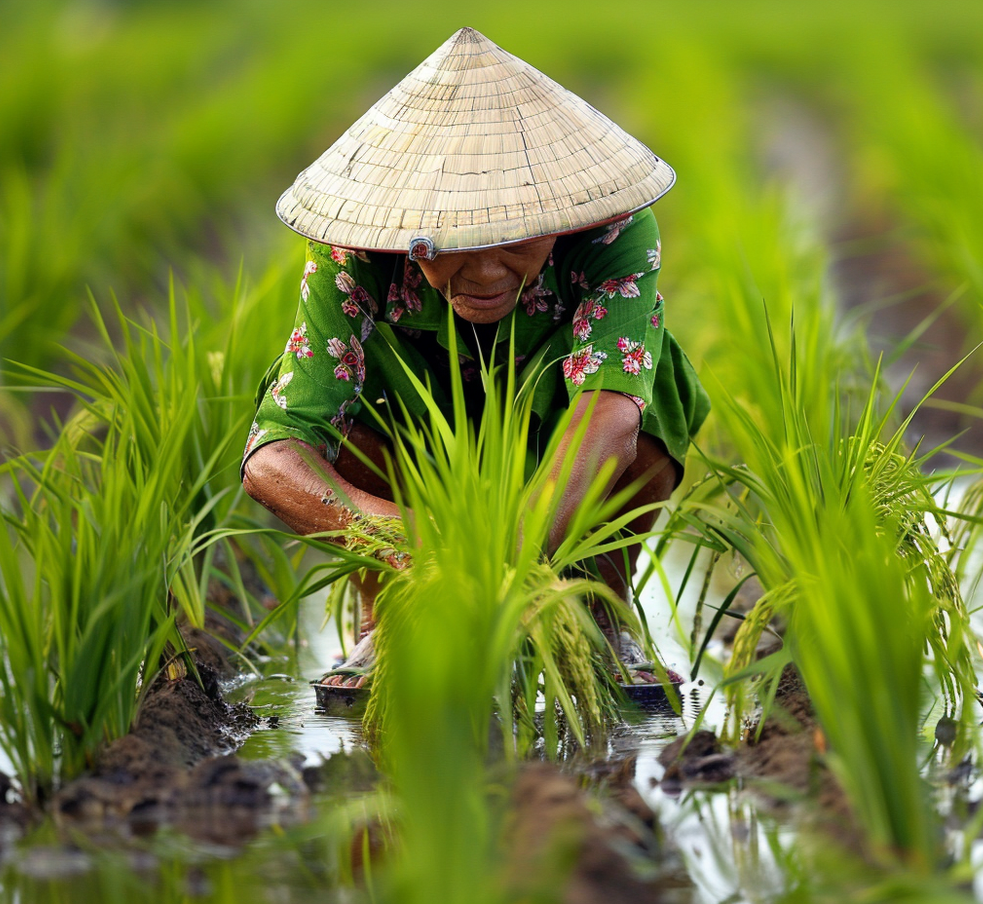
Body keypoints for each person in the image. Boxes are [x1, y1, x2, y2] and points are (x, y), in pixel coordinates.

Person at [241, 27, 709, 686]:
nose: (485, 272)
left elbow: (608, 417)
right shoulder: (359, 251)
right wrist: (402, 536)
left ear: (558, 216)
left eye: (516, 240)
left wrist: (515, 553)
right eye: (448, 244)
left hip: (555, 424)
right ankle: (386, 615)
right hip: (412, 436)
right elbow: (274, 458)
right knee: (346, 393)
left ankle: (603, 614)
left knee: (652, 391)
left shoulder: (611, 228)